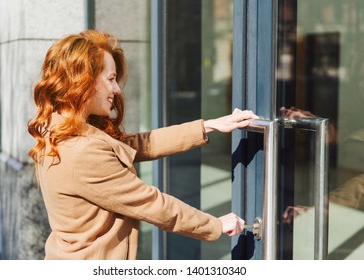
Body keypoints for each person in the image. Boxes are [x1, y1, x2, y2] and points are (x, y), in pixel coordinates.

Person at [27, 30, 258, 260]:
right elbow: (152, 204)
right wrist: (215, 225)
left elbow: (137, 144)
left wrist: (209, 126)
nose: (117, 89)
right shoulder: (82, 150)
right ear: (82, 82)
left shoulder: (61, 129)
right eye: (110, 79)